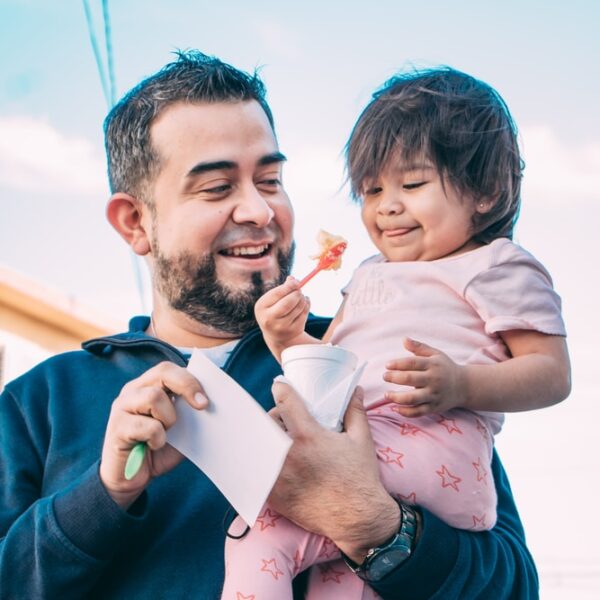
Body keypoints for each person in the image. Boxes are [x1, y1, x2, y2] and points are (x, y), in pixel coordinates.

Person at [0, 52, 540, 600]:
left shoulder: (384, 356)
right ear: (136, 222)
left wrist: (371, 522)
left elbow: (514, 586)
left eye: (270, 179)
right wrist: (102, 496)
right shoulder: (38, 403)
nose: (259, 210)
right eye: (217, 188)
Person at [221, 67, 571, 599]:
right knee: (335, 581)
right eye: (371, 190)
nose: (387, 205)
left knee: (261, 526)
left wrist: (462, 386)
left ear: (485, 190)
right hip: (374, 446)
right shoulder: (368, 274)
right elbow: (336, 370)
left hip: (432, 445)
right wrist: (287, 340)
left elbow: (552, 374)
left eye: (412, 184)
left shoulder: (495, 265)